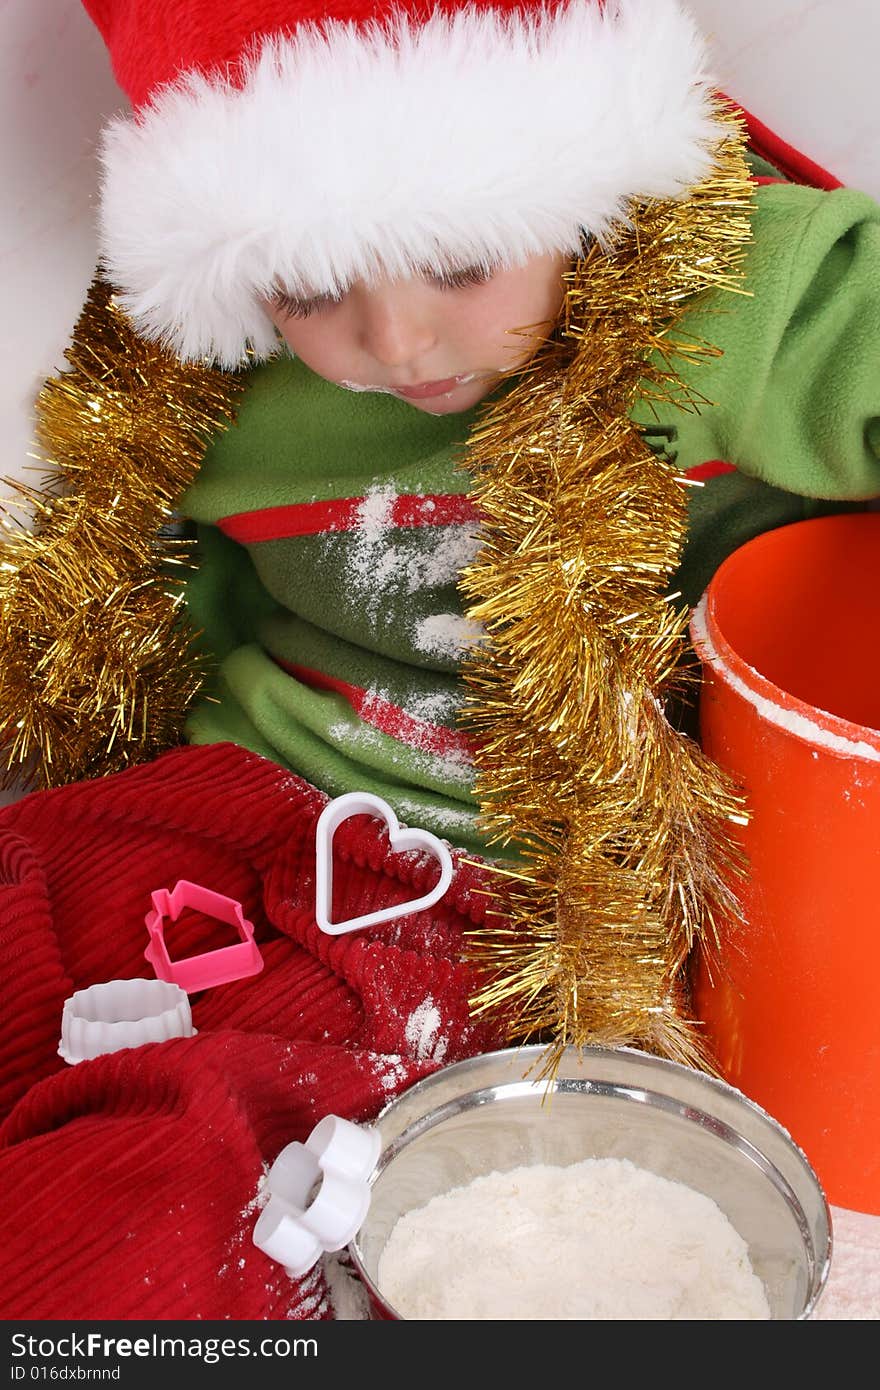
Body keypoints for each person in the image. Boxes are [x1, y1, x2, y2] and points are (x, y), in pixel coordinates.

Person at [0, 0, 878, 1320]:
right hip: (227, 792)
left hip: (478, 887)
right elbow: (169, 606)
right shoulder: (214, 372)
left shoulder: (713, 296)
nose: (397, 343)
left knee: (197, 1144)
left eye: (462, 259)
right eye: (308, 288)